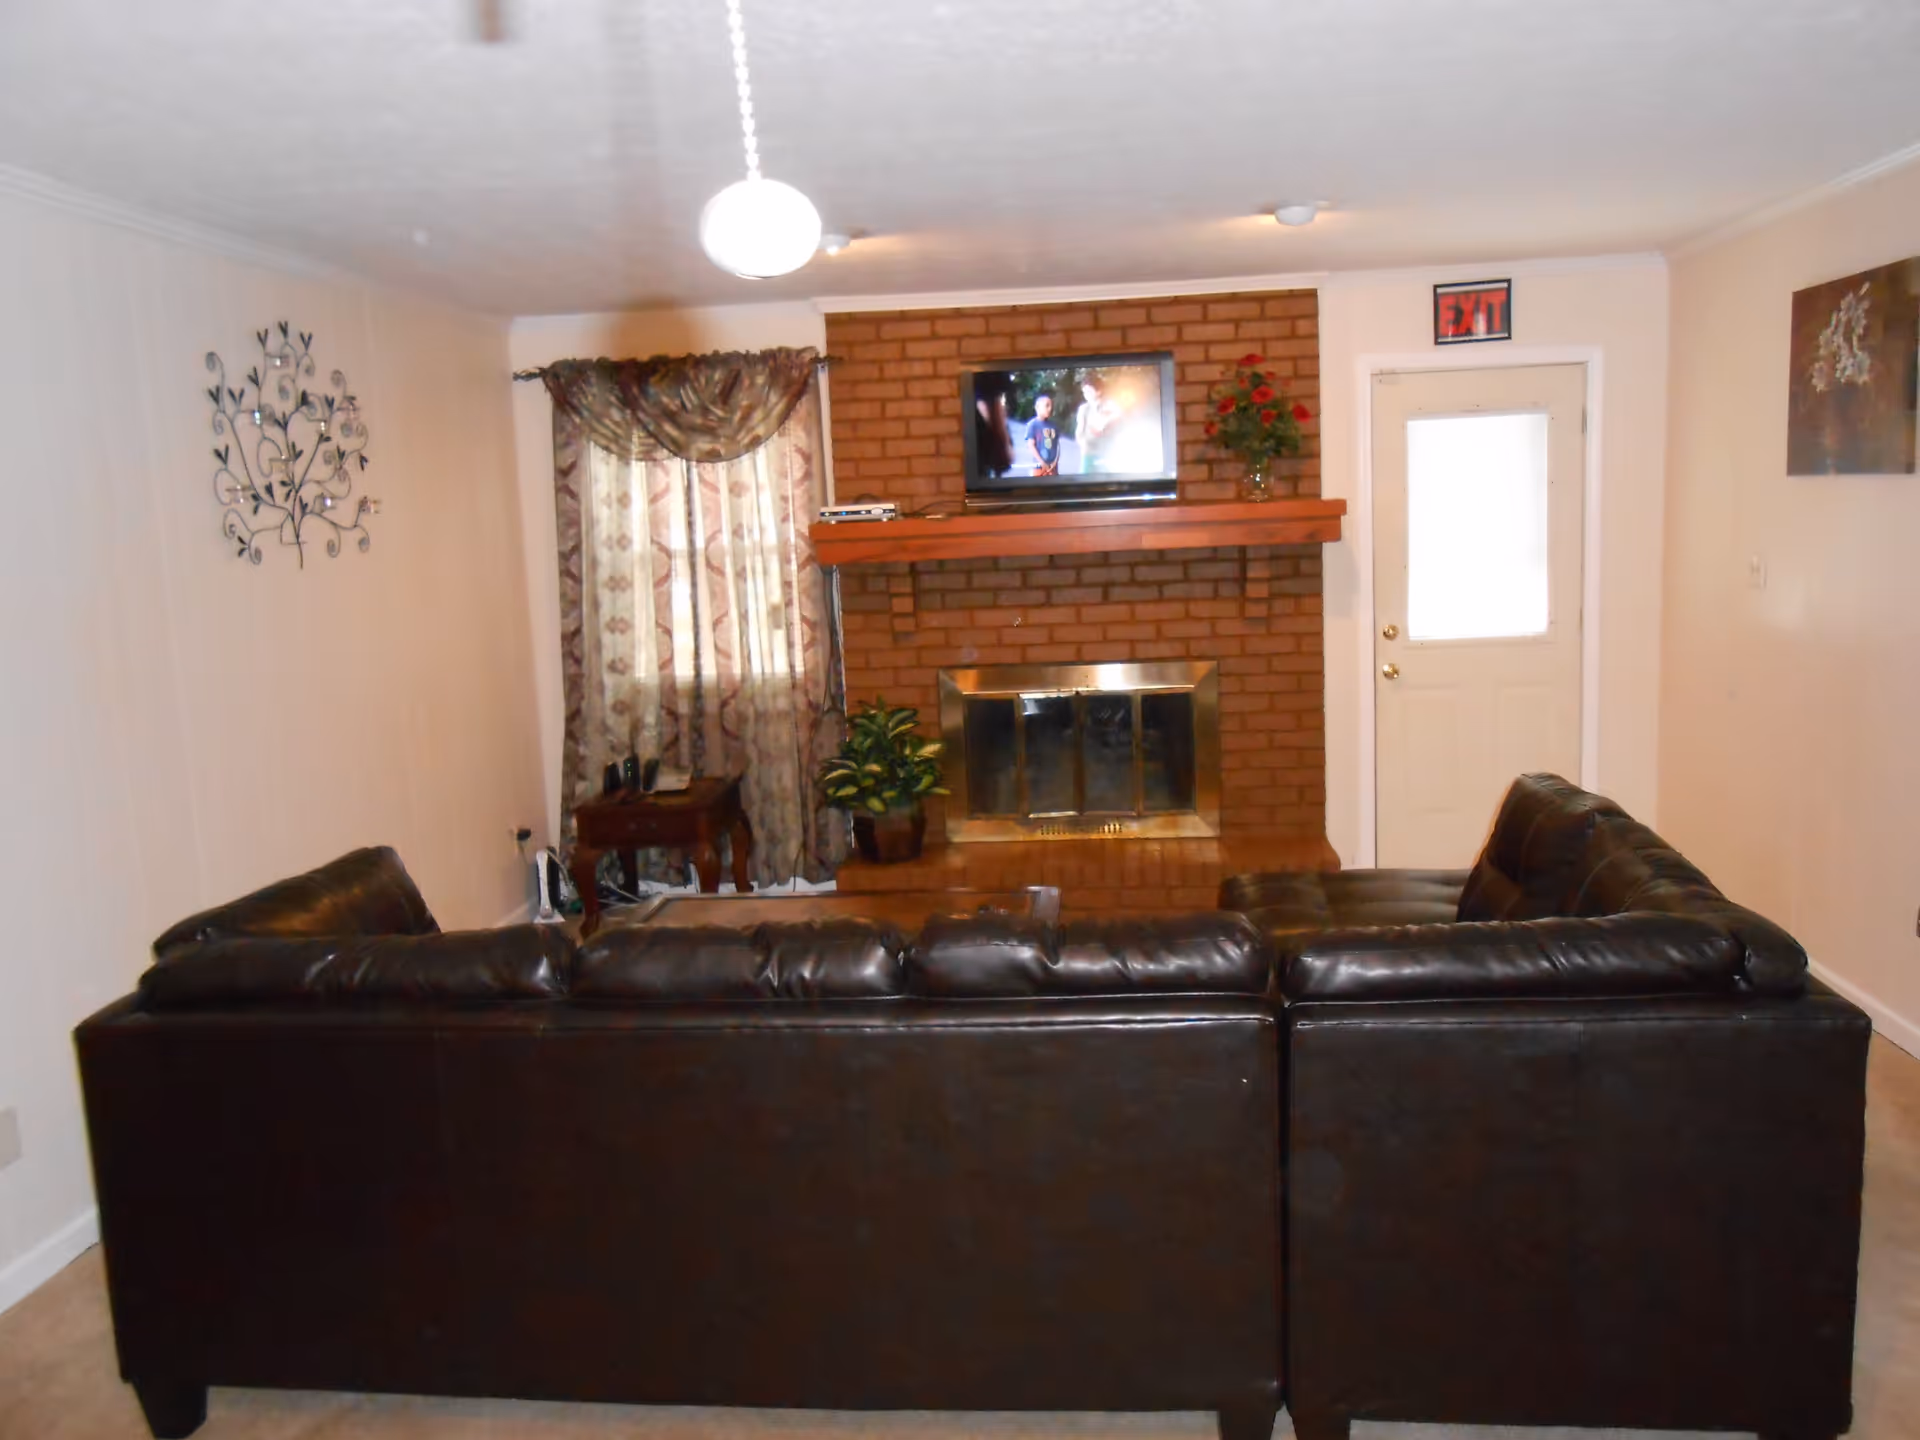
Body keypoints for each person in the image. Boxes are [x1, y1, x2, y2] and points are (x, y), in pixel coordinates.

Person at [1074, 379, 1118, 472]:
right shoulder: (1083, 409)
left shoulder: (1108, 405)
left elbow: (1117, 415)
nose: (1086, 394)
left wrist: (1104, 422)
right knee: (1084, 479)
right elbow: (1079, 430)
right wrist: (1082, 443)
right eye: (1084, 392)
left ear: (1098, 391)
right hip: (1088, 452)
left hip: (1106, 451)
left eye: (1089, 391)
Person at [1022, 393, 1061, 476]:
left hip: (1053, 468)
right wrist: (1042, 462)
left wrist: (1055, 461)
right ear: (1037, 408)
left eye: (1051, 406)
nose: (1050, 409)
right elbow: (1031, 445)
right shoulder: (1032, 425)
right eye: (1047, 406)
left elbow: (1057, 445)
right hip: (1039, 467)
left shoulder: (1054, 426)